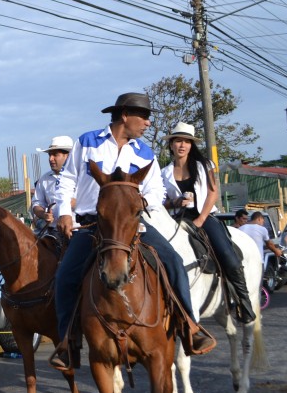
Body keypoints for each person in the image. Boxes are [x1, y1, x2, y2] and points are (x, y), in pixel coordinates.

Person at [49, 92, 215, 371]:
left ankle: (190, 326)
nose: (149, 123)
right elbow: (67, 180)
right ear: (125, 115)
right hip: (91, 225)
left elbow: (157, 190)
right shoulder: (87, 142)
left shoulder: (144, 152)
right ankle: (68, 343)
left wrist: (137, 203)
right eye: (145, 117)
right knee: (65, 277)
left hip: (133, 225)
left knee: (173, 262)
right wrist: (64, 212)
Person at [160, 122, 257, 323]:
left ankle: (243, 302)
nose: (182, 145)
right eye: (178, 140)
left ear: (191, 145)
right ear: (171, 144)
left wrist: (201, 218)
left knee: (226, 254)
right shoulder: (164, 172)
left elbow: (213, 194)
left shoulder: (204, 165)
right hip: (178, 218)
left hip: (204, 217)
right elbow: (162, 201)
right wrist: (176, 202)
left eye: (186, 141)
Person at [31, 135, 74, 236]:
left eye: (55, 155)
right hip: (52, 232)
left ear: (67, 156)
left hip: (77, 230)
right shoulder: (44, 179)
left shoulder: (81, 177)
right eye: (49, 155)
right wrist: (43, 214)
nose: (51, 159)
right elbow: (36, 204)